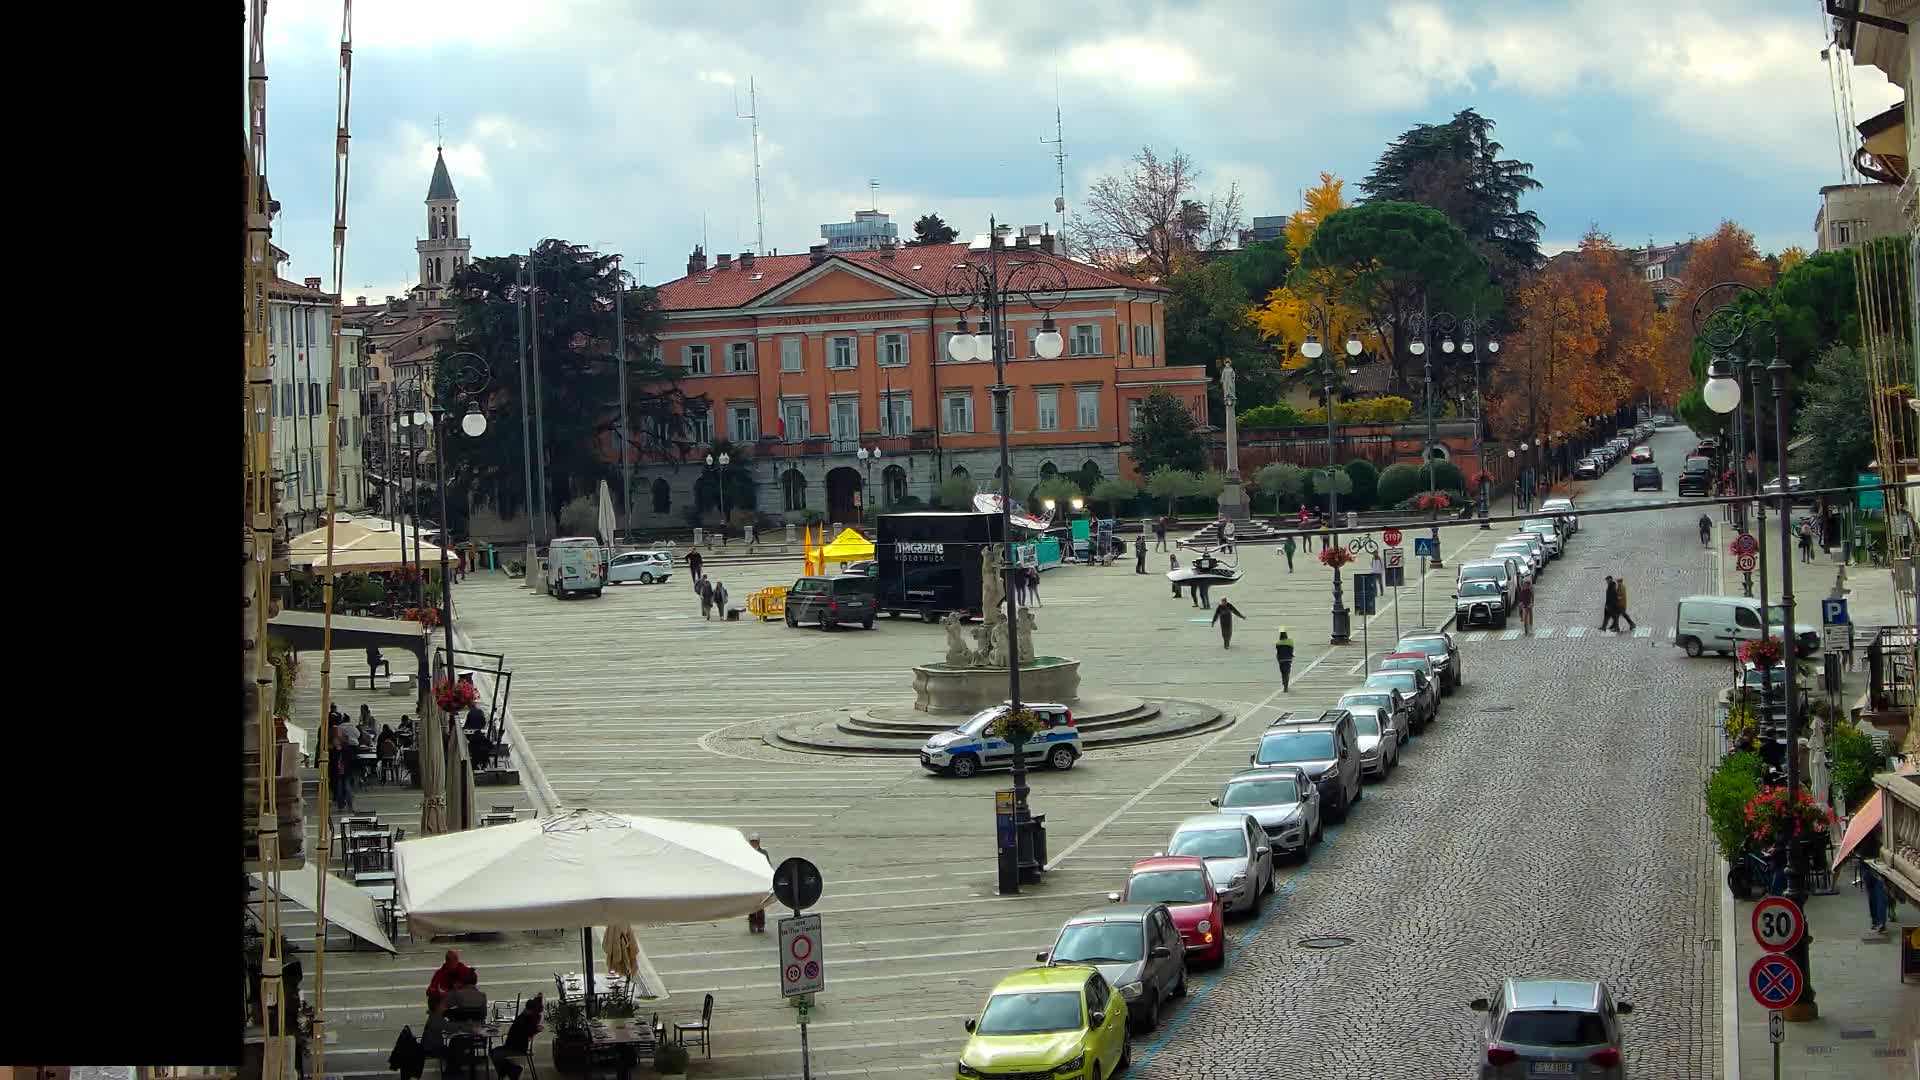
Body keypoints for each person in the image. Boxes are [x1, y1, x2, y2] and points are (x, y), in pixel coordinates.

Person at [491, 994, 545, 1080]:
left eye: (526, 1009)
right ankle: (512, 1071)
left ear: (530, 1010)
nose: (524, 1010)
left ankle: (511, 1071)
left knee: (495, 1053)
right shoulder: (529, 1018)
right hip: (516, 1047)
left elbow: (521, 1033)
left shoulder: (525, 1019)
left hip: (515, 1049)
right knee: (495, 1053)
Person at [746, 834, 772, 933]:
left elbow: (768, 866)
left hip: (761, 882)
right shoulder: (746, 853)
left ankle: (761, 925)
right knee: (751, 905)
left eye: (755, 841)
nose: (753, 843)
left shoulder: (763, 853)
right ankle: (752, 925)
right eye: (752, 841)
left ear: (759, 842)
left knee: (760, 905)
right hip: (750, 882)